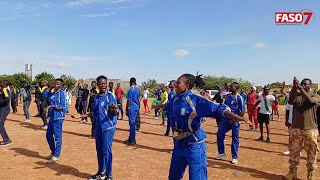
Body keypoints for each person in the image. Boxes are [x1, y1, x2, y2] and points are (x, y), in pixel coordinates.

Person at [152, 74, 249, 180]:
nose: (175, 85)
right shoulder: (175, 99)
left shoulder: (195, 100)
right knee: (173, 177)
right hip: (179, 144)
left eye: (178, 83)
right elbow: (168, 105)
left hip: (194, 146)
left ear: (187, 85)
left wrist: (236, 116)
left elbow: (217, 109)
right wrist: (158, 106)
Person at [71, 75, 118, 180]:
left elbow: (115, 112)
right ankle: (101, 172)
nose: (103, 86)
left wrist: (113, 109)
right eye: (100, 84)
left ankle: (109, 175)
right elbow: (94, 113)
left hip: (108, 127)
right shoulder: (96, 97)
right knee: (99, 149)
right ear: (97, 85)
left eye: (104, 84)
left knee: (107, 150)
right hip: (98, 126)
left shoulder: (110, 96)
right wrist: (81, 116)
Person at [284, 77, 320, 180]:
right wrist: (295, 89)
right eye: (302, 84)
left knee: (311, 153)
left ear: (310, 86)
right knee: (294, 151)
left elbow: (311, 101)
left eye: (305, 84)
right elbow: (290, 101)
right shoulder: (297, 96)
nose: (303, 85)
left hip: (310, 129)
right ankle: (292, 172)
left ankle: (310, 174)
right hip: (296, 128)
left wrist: (300, 87)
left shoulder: (315, 95)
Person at [216, 82, 249, 165]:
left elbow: (242, 112)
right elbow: (225, 107)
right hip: (227, 120)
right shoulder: (227, 97)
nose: (229, 87)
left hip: (235, 121)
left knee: (235, 138)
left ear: (236, 88)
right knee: (220, 133)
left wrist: (235, 120)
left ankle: (234, 157)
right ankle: (222, 153)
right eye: (230, 86)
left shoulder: (239, 98)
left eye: (231, 86)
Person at [44, 78, 66, 164]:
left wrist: (51, 106)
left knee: (57, 137)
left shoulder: (61, 93)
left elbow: (63, 105)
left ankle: (56, 155)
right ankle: (53, 152)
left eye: (58, 84)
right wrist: (50, 88)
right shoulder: (53, 93)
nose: (56, 85)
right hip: (52, 116)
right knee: (48, 135)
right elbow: (45, 96)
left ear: (61, 85)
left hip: (58, 117)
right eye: (55, 84)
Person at [124, 77, 140, 145]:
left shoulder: (131, 89)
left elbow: (129, 100)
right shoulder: (138, 89)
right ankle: (131, 138)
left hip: (132, 107)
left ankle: (132, 139)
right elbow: (138, 99)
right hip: (136, 107)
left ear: (130, 82)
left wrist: (127, 109)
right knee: (132, 123)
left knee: (132, 123)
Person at [0, 80, 12, 146]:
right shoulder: (2, 89)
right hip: (2, 108)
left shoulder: (5, 89)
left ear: (4, 84)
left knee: (0, 124)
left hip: (4, 108)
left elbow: (7, 99)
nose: (0, 83)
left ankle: (7, 140)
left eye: (1, 82)